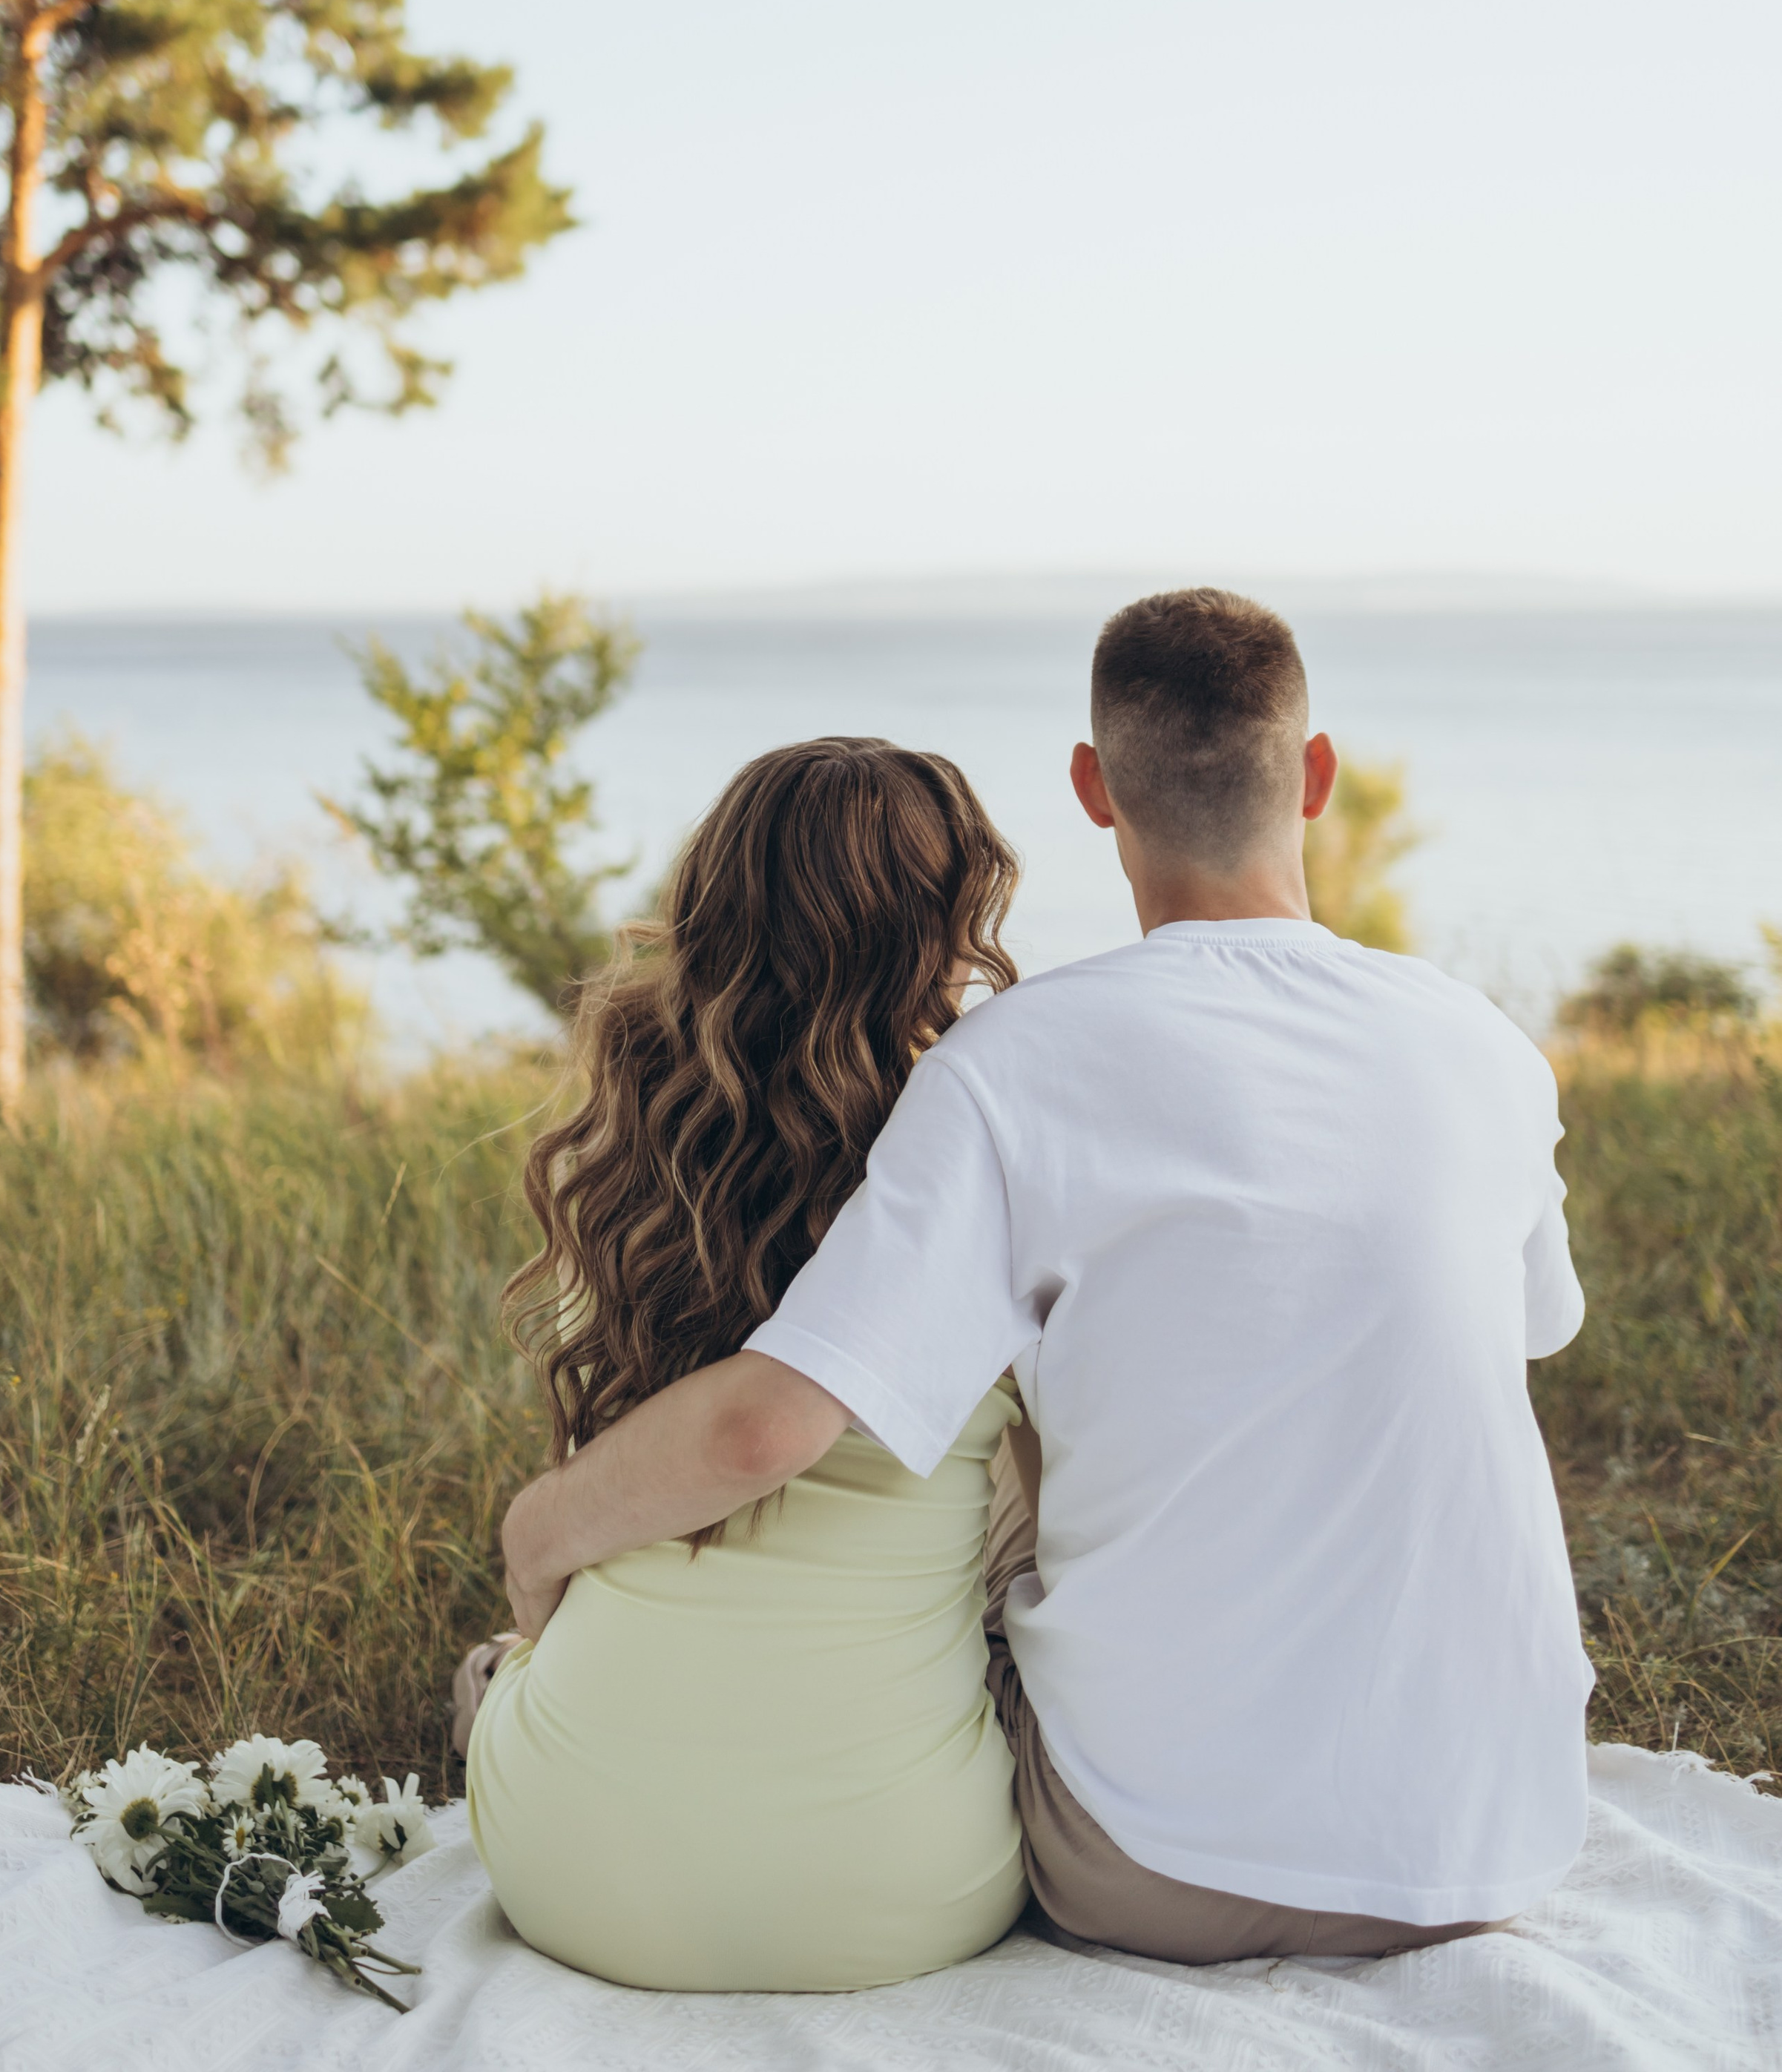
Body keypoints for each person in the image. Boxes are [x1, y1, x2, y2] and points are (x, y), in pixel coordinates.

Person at [500, 588, 1593, 1964]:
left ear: (1093, 788)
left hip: (1150, 1870)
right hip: (1492, 1844)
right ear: (1317, 776)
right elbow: (1537, 1326)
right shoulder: (1488, 1047)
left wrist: (537, 1533)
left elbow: (764, 1424)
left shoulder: (1015, 1066)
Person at [459, 737, 1031, 1991]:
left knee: (506, 1677)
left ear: (716, 917)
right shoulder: (995, 1164)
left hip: (566, 1864)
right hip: (895, 1886)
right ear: (946, 929)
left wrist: (534, 1536)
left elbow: (665, 1463)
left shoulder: (660, 1153)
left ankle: (508, 1700)